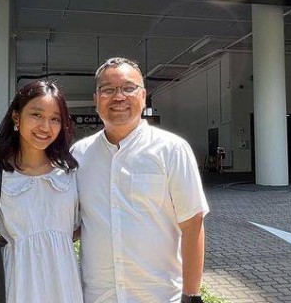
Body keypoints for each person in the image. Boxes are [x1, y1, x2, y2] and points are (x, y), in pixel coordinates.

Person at [73, 57, 209, 303]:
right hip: (97, 296)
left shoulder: (172, 149)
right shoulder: (79, 155)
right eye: (108, 90)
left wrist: (191, 295)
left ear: (144, 96)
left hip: (159, 296)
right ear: (96, 99)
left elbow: (192, 224)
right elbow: (72, 223)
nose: (119, 97)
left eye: (128, 88)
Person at [0, 80, 83, 303]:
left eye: (55, 119)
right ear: (16, 117)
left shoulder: (71, 174)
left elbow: (78, 229)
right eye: (36, 114)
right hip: (17, 285)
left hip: (66, 286)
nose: (45, 126)